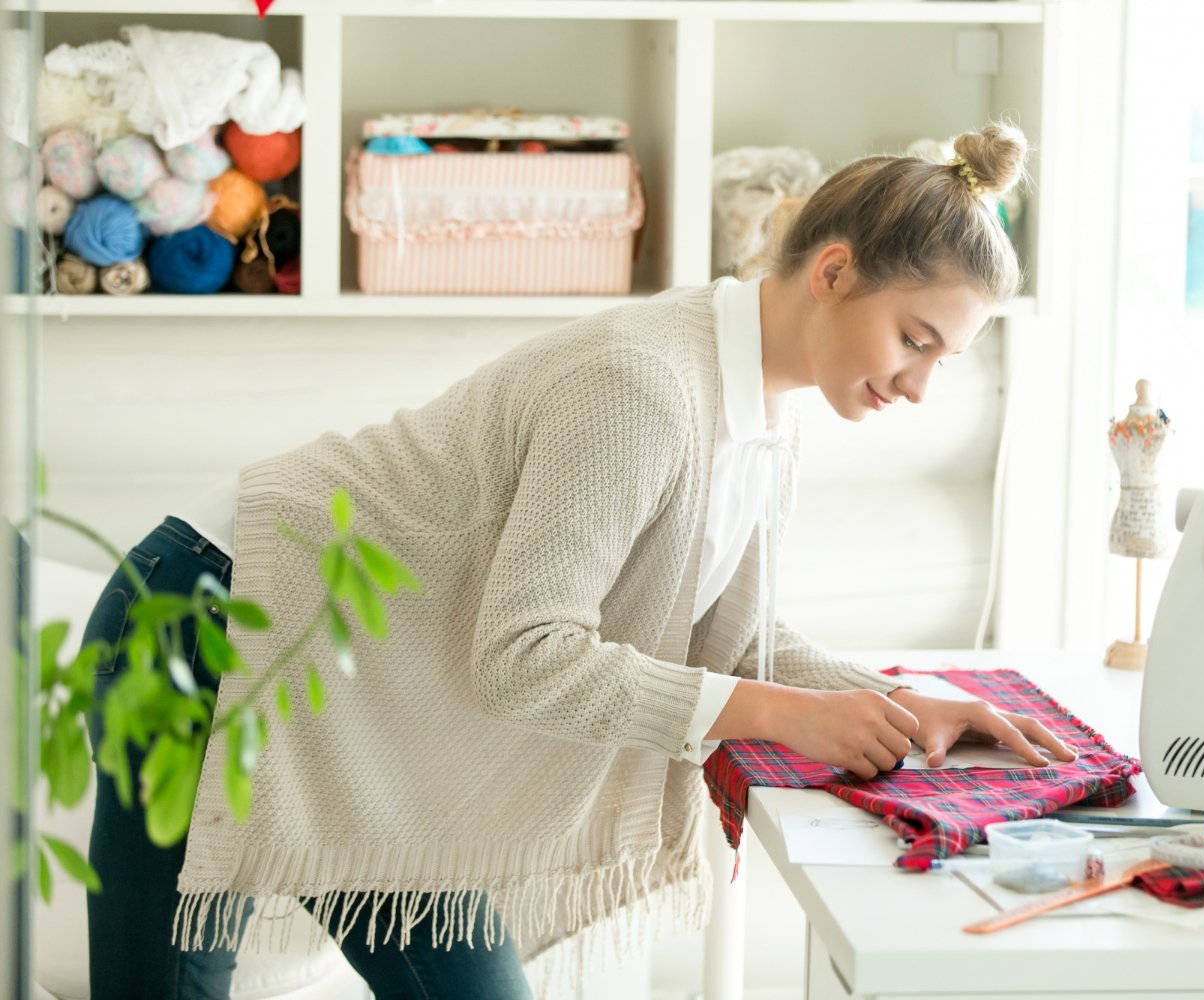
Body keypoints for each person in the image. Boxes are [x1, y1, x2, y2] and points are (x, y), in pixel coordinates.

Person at [80, 120, 1077, 1000]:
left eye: (946, 357)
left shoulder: (764, 411)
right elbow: (526, 653)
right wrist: (781, 711)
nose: (920, 385)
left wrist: (905, 703)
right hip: (210, 616)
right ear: (832, 271)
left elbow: (735, 634)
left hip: (360, 687)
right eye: (915, 339)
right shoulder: (641, 385)